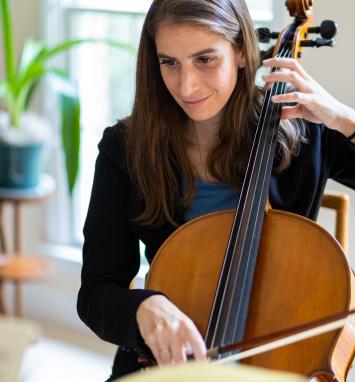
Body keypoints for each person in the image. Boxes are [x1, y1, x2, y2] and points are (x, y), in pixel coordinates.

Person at [77, 0, 355, 380]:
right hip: (171, 366)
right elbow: (96, 293)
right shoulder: (125, 148)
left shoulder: (302, 128)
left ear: (241, 53)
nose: (186, 85)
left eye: (205, 59)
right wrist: (146, 307)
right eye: (169, 63)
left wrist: (344, 118)